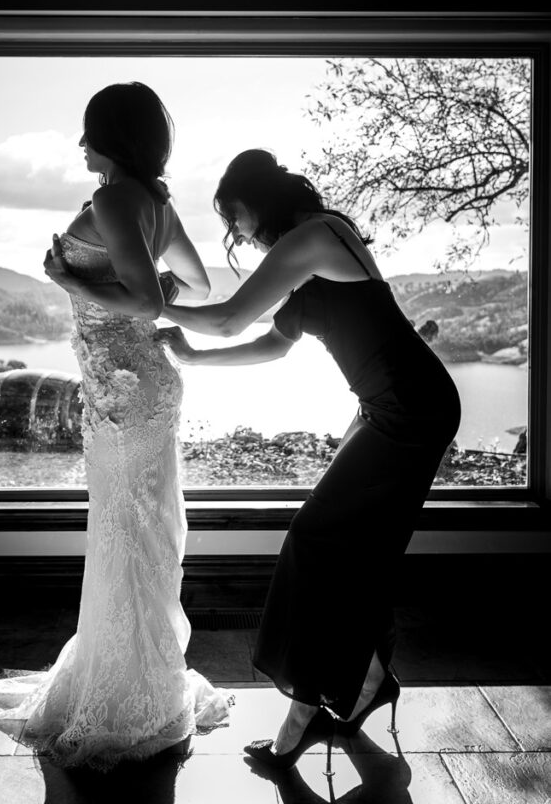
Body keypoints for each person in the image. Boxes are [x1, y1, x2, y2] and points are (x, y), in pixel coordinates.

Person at [0, 82, 233, 769]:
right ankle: (143, 686)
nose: (79, 145)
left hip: (122, 396)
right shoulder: (154, 204)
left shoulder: (111, 199)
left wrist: (68, 282)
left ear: (112, 138)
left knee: (125, 535)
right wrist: (141, 294)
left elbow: (137, 295)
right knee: (138, 537)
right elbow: (197, 287)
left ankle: (127, 695)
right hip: (143, 387)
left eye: (87, 133)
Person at [157, 148, 460, 771]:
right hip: (390, 408)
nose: (234, 231)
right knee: (350, 549)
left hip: (411, 408)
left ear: (258, 201)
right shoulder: (308, 255)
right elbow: (272, 343)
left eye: (232, 216)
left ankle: (307, 713)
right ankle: (369, 680)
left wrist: (146, 303)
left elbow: (231, 315)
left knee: (315, 541)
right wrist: (194, 358)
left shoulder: (315, 237)